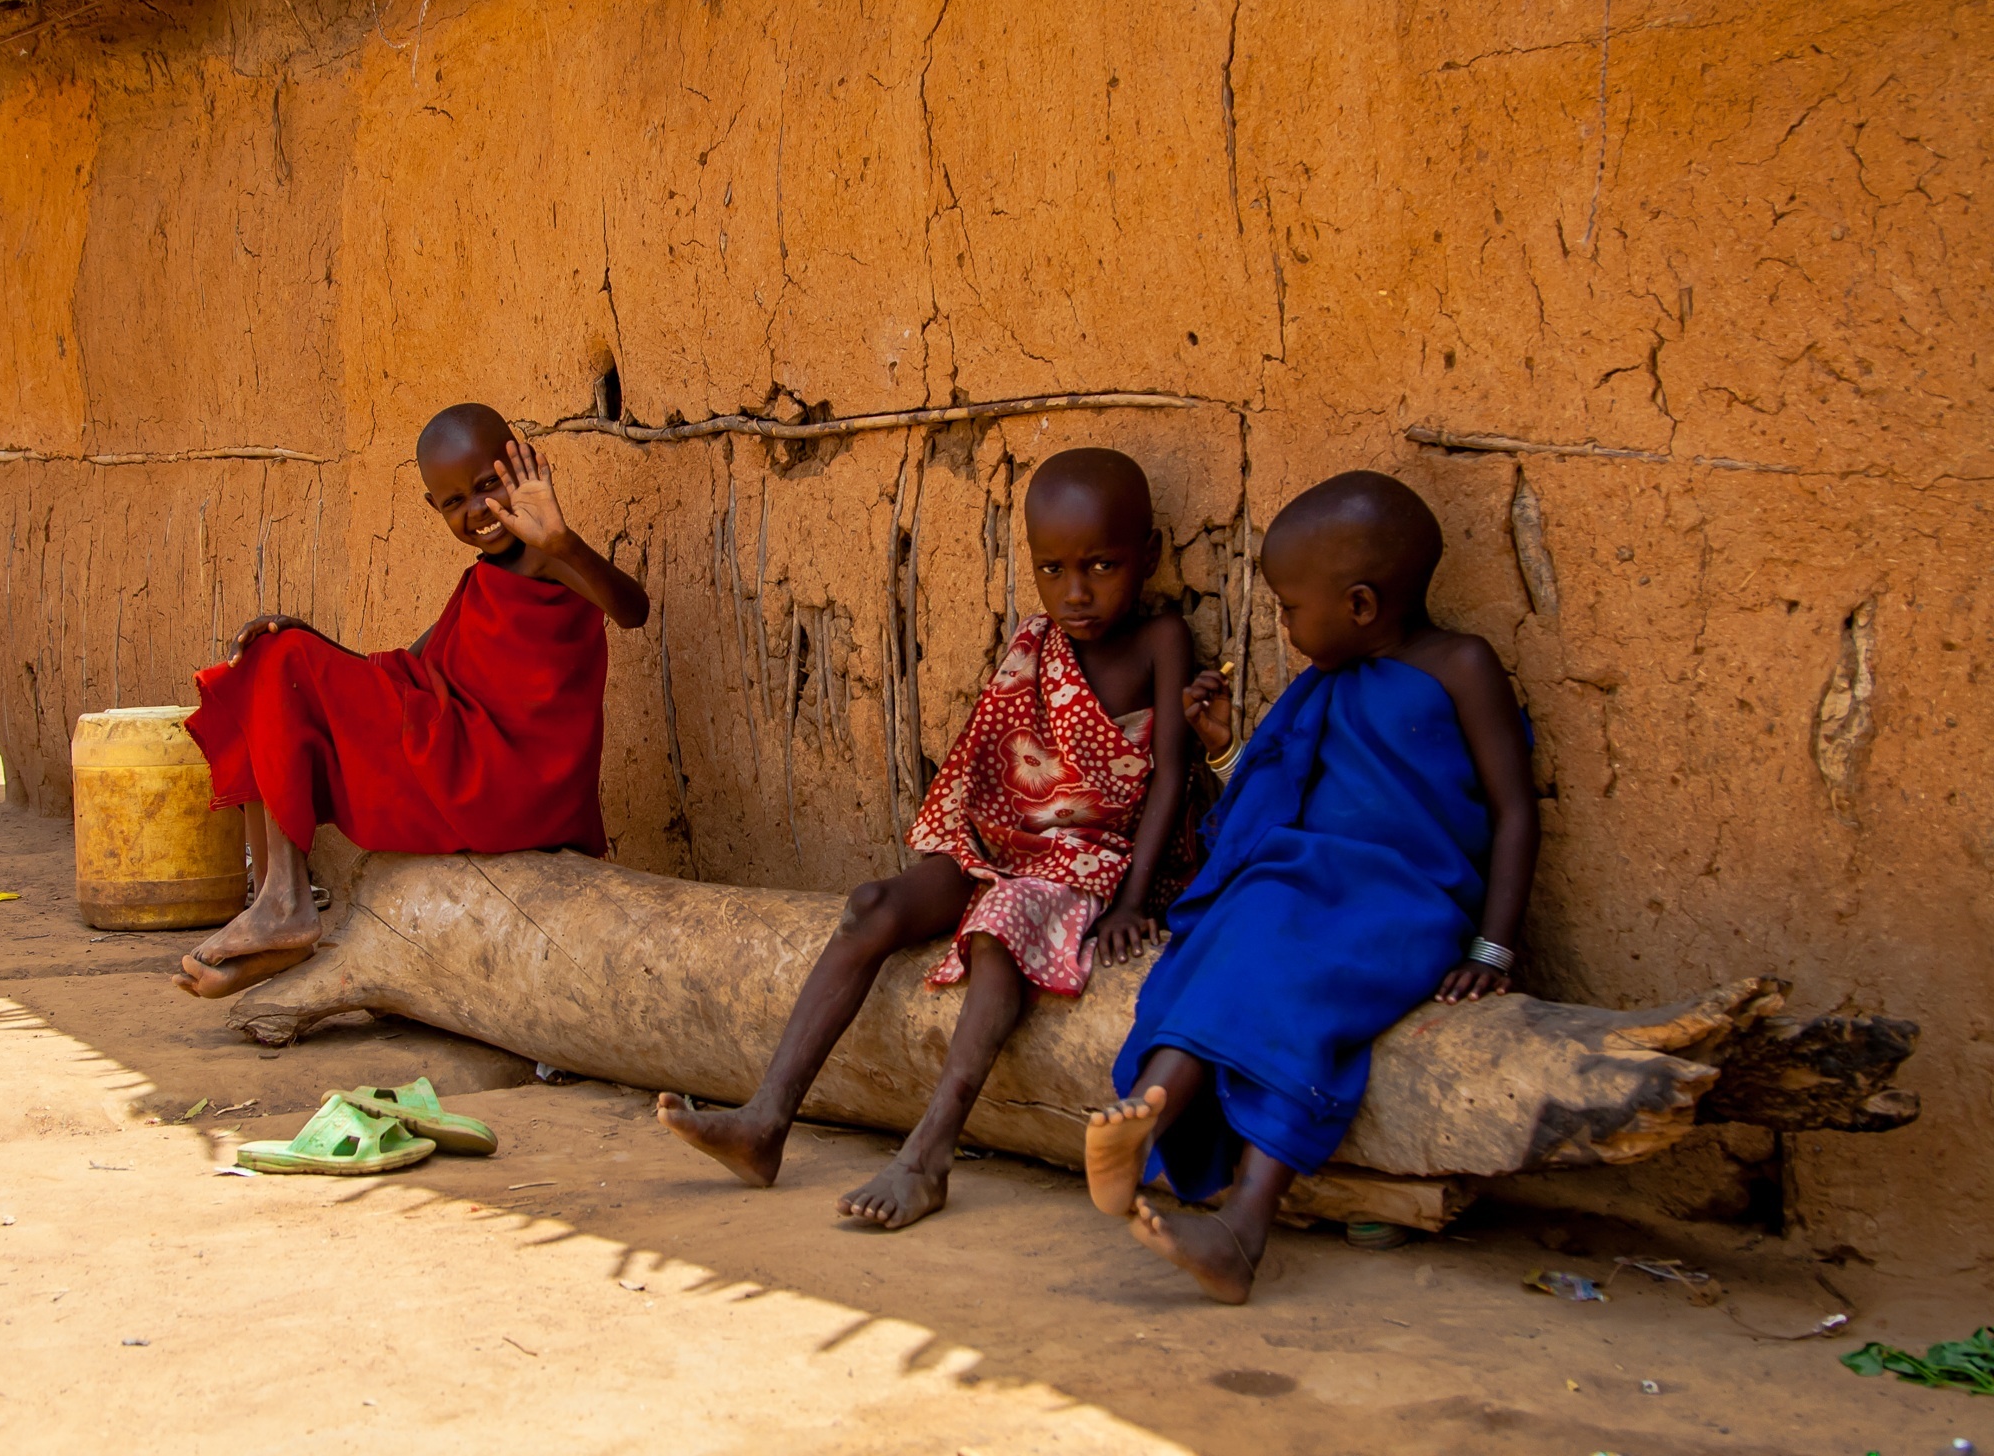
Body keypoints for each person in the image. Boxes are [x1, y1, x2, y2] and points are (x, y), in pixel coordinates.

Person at [657, 447, 1193, 1229]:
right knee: (872, 905)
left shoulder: (1161, 641)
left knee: (998, 929)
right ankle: (764, 1118)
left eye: (1103, 565)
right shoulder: (1037, 643)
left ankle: (929, 1154)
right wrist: (979, 849)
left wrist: (1133, 902)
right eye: (1052, 570)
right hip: (1008, 847)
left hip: (1094, 862)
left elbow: (1173, 776)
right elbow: (994, 767)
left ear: (1147, 556)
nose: (1076, 592)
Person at [1084, 470, 1538, 1304]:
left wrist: (1493, 945)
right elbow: (1278, 797)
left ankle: (1244, 1223)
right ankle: (1153, 1106)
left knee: (1294, 985)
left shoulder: (1461, 667)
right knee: (1230, 937)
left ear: (1360, 606)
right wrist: (1224, 750)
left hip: (1401, 904)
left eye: (1291, 609)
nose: (1285, 626)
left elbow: (1513, 814)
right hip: (1301, 885)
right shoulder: (1322, 689)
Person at [171, 403, 649, 998]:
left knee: (281, 664)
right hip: (479, 768)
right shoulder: (481, 580)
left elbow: (633, 611)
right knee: (269, 665)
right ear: (434, 509)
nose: (477, 510)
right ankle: (273, 900)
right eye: (453, 502)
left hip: (510, 783)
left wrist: (567, 541)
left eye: (488, 485)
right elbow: (403, 670)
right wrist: (306, 641)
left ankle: (284, 904)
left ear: (524, 467)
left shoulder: (550, 558)